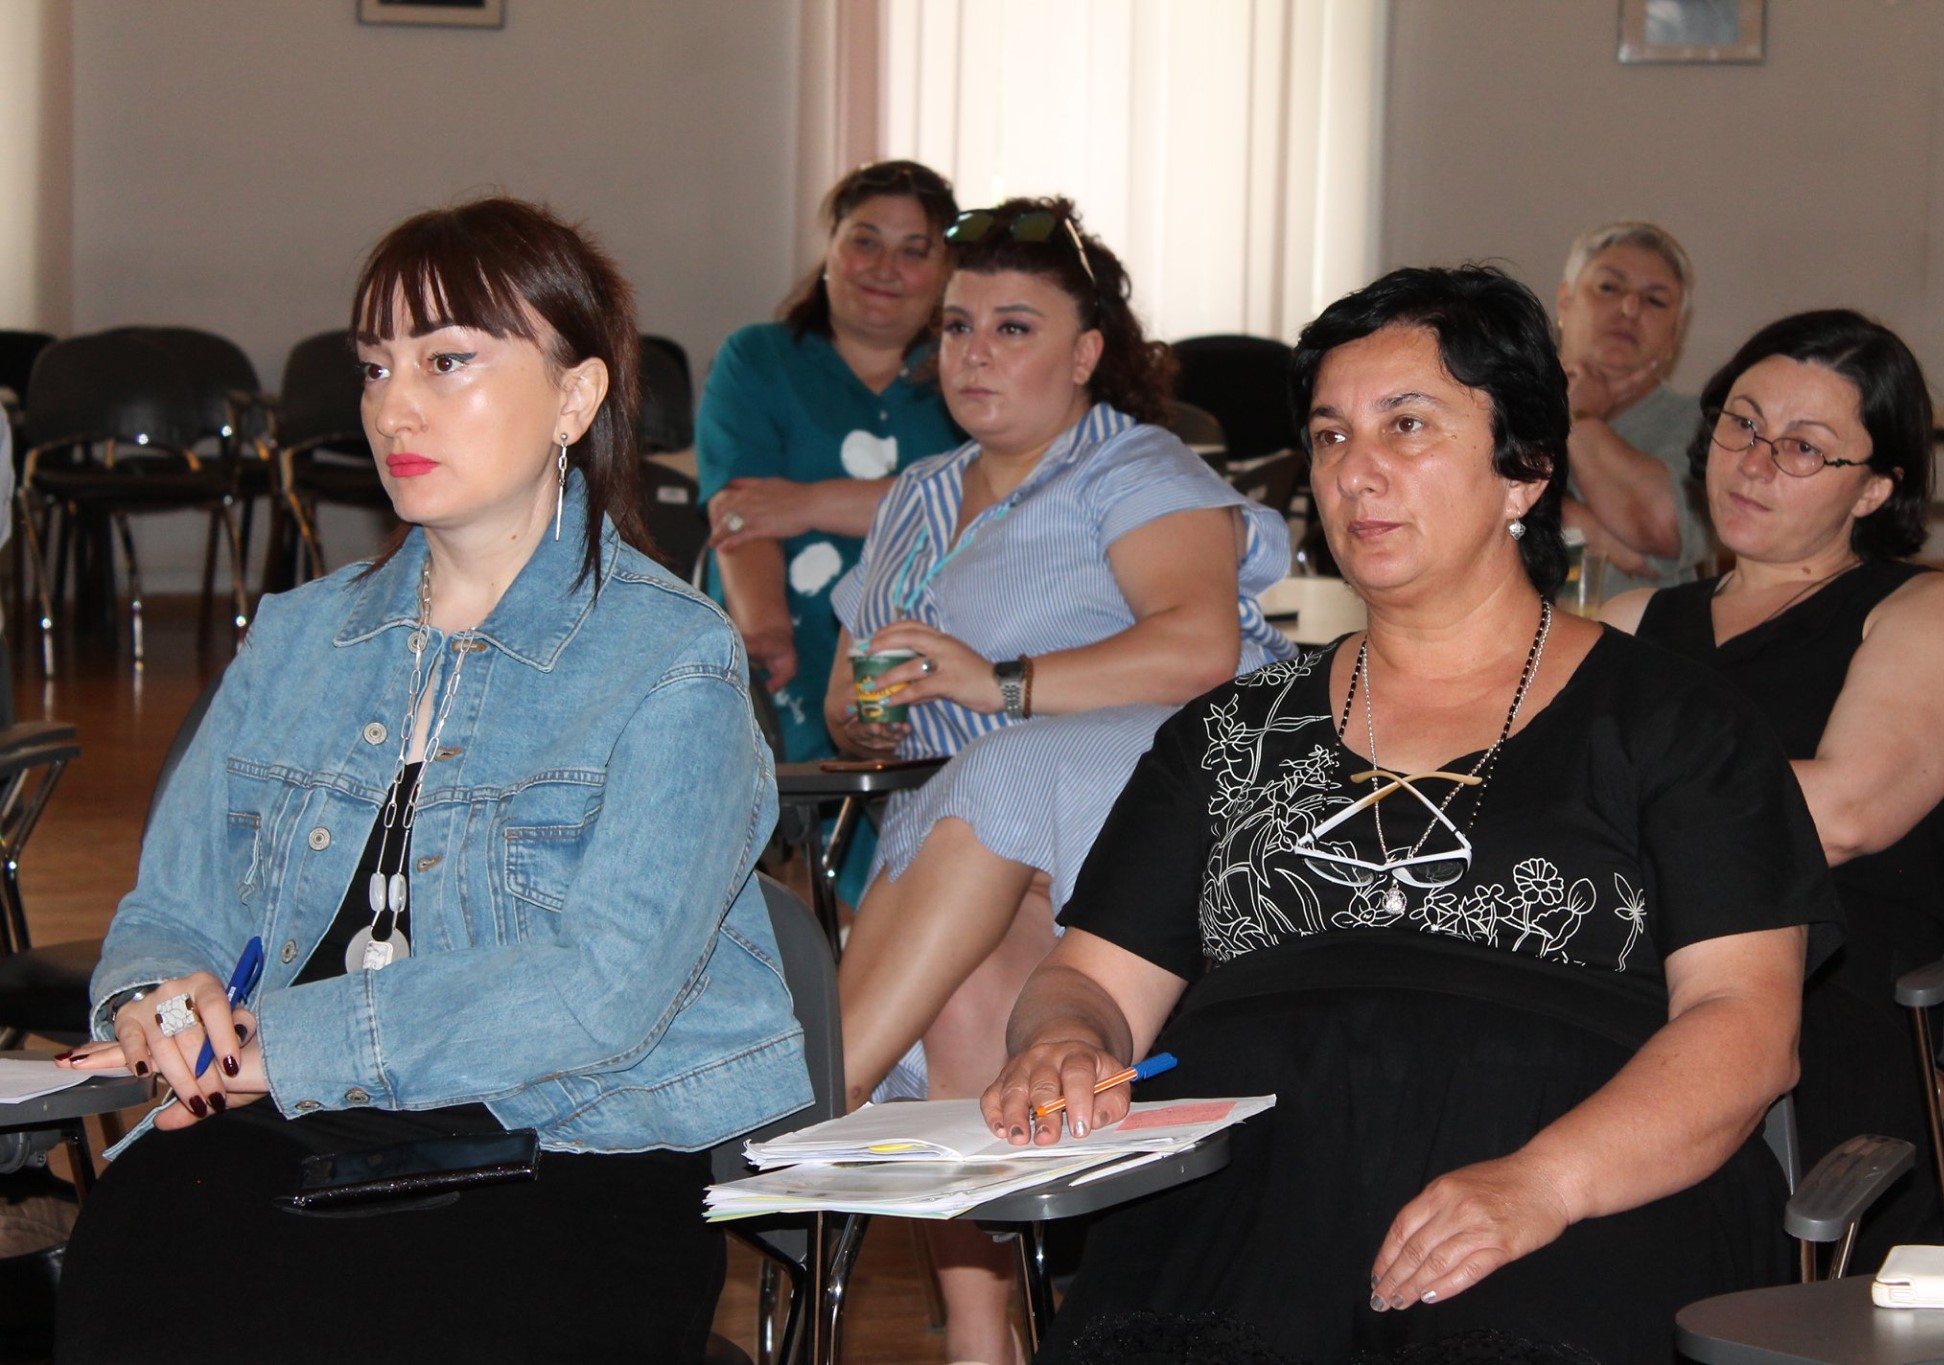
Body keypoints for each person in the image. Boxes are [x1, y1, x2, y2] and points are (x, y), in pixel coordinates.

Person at [982, 265, 1843, 1364]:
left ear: (1524, 469)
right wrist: (1063, 1042)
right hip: (1248, 1206)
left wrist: (1541, 1184)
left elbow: (1745, 1029)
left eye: (1407, 425)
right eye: (1330, 435)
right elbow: (1094, 980)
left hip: (1576, 1195)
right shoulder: (1230, 731)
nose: (1356, 470)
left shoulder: (1673, 721)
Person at [50, 198, 810, 1364]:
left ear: (575, 397)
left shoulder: (672, 660)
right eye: (375, 367)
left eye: (447, 361)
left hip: (564, 1151)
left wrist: (278, 1044)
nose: (392, 406)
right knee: (140, 1239)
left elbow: (600, 994)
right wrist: (160, 1004)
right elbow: (171, 907)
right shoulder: (297, 637)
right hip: (295, 1127)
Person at [829, 197, 1294, 1365]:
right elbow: (846, 692)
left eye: (1012, 328)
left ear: (1084, 354)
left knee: (1001, 766)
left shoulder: (1134, 467)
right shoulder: (918, 493)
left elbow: (1200, 647)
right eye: (956, 327)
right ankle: (981, 1343)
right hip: (967, 829)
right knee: (966, 988)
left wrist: (993, 681)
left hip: (1160, 788)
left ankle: (808, 1102)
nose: (973, 353)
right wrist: (871, 714)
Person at [1603, 309, 1944, 1266]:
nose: (1754, 462)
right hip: (1619, 962)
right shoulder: (1633, 618)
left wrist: (1604, 802)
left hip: (1827, 990)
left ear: (1876, 487)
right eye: (1742, 423)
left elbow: (1848, 811)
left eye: (1804, 447)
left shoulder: (1927, 609)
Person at [698, 159, 962, 766]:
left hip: (936, 649)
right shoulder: (758, 359)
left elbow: (982, 504)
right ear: (831, 249)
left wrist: (807, 502)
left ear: (947, 273)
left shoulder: (968, 374)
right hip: (788, 640)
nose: (885, 268)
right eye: (865, 241)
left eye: (914, 251)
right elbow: (741, 517)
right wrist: (767, 632)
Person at [1553, 220, 1712, 593]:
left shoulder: (1706, 424)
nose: (1629, 308)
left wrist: (1579, 417)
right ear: (1565, 301)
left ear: (1675, 333)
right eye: (1609, 287)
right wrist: (1580, 523)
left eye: (1655, 300)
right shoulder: (1501, 396)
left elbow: (1662, 527)